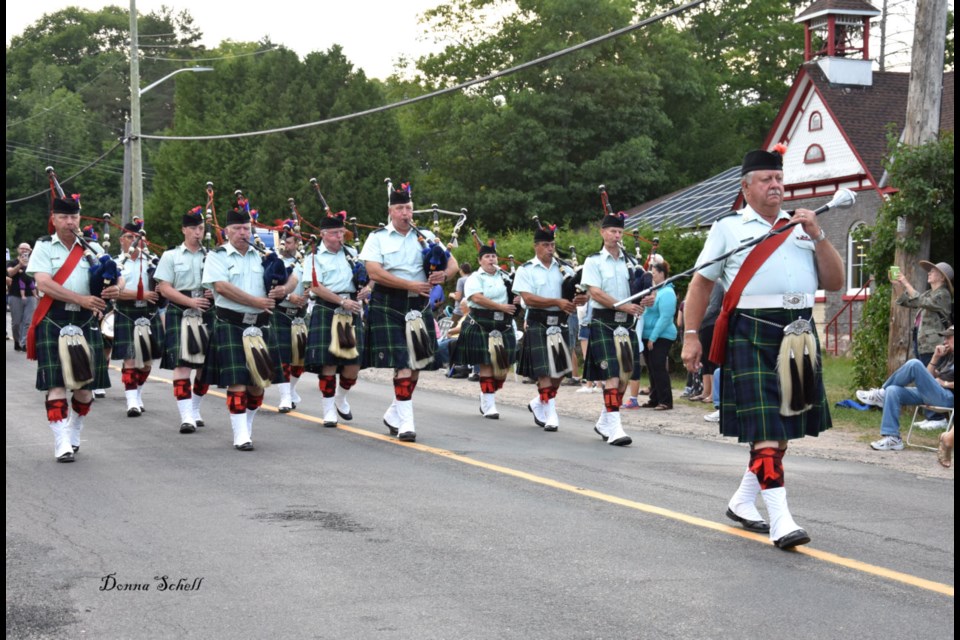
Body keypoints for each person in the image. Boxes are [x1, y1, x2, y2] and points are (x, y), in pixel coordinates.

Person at [681, 146, 844, 550]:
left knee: (782, 430)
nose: (776, 186)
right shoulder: (728, 228)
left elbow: (836, 282)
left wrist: (819, 237)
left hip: (799, 331)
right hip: (751, 331)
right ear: (746, 186)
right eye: (767, 180)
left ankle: (742, 502)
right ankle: (781, 519)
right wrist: (690, 335)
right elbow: (701, 284)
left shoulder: (802, 226)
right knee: (767, 430)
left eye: (779, 179)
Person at [360, 181, 459, 442]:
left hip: (418, 304)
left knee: (416, 365)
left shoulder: (425, 236)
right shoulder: (377, 237)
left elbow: (454, 265)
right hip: (388, 303)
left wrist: (442, 275)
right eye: (401, 208)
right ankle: (407, 423)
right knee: (404, 362)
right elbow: (373, 271)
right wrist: (408, 284)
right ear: (391, 211)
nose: (406, 213)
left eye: (409, 208)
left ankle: (395, 412)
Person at [26, 196, 121, 462]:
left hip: (85, 321)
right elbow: (43, 283)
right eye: (65, 218)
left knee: (84, 389)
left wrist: (116, 287)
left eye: (74, 218)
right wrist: (79, 298)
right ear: (54, 219)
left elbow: (116, 274)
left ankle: (74, 428)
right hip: (53, 318)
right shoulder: (44, 247)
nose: (70, 222)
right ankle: (61, 442)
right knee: (56, 384)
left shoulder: (90, 247)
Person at [201, 206, 287, 451]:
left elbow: (291, 276)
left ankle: (247, 424)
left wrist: (285, 289)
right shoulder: (218, 256)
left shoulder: (264, 255)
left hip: (260, 325)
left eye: (246, 228)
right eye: (237, 229)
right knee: (237, 380)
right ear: (226, 231)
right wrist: (256, 302)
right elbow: (222, 287)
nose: (243, 233)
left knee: (258, 384)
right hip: (231, 323)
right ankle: (240, 434)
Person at [513, 224, 587, 432]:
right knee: (546, 370)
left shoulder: (565, 268)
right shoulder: (526, 269)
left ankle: (540, 401)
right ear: (536, 246)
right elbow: (527, 298)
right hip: (538, 322)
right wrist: (556, 301)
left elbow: (579, 292)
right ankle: (551, 411)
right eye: (545, 245)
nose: (550, 249)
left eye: (552, 244)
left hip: (561, 322)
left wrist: (581, 298)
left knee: (562, 370)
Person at [581, 213, 643, 446]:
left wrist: (646, 299)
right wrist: (624, 305)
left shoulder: (631, 263)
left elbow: (641, 288)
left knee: (625, 375)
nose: (616, 236)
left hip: (626, 323)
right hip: (603, 321)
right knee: (612, 374)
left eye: (619, 232)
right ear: (603, 232)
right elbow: (595, 293)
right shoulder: (593, 261)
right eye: (612, 231)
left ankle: (605, 420)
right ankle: (615, 427)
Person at [154, 207, 214, 434]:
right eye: (193, 229)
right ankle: (186, 416)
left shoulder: (212, 256)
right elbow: (164, 288)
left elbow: (222, 284)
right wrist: (190, 303)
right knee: (183, 365)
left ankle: (195, 408)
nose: (198, 233)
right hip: (181, 310)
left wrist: (213, 293)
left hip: (207, 310)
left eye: (201, 228)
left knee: (205, 366)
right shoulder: (171, 256)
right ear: (184, 230)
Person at [303, 214, 366, 428]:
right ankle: (328, 408)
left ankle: (341, 396)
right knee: (328, 362)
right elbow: (315, 286)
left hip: (352, 308)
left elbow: (368, 275)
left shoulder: (352, 253)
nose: (340, 236)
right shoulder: (313, 256)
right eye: (335, 233)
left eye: (342, 232)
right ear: (323, 235)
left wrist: (368, 289)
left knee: (353, 364)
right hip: (327, 307)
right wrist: (341, 301)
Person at [451, 243, 518, 419]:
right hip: (482, 321)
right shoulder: (475, 277)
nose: (491, 259)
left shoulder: (506, 278)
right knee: (487, 363)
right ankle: (489, 403)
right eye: (487, 257)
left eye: (493, 256)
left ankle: (486, 394)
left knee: (502, 365)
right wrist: (501, 306)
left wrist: (518, 299)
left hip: (504, 324)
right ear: (480, 261)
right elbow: (476, 297)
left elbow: (517, 296)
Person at [866, 326, 954, 451]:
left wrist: (944, 383)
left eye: (948, 338)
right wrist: (935, 357)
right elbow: (928, 377)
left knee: (915, 364)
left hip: (948, 398)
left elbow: (940, 382)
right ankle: (892, 438)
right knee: (893, 390)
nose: (944, 341)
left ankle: (881, 393)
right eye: (944, 338)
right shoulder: (949, 357)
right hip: (936, 393)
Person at [112, 222, 164, 417]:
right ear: (121, 240)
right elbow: (115, 293)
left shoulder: (153, 262)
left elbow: (163, 287)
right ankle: (131, 401)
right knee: (131, 358)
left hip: (149, 313)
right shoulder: (116, 263)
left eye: (138, 237)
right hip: (127, 312)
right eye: (129, 237)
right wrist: (141, 295)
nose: (134, 241)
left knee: (147, 363)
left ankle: (138, 393)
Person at [272, 227, 308, 413]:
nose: (285, 245)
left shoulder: (305, 262)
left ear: (296, 244)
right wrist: (288, 297)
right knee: (284, 357)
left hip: (300, 313)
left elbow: (312, 283)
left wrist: (309, 295)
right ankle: (285, 397)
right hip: (281, 312)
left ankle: (291, 390)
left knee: (299, 358)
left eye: (288, 242)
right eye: (283, 242)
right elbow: (269, 286)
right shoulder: (275, 261)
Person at [891, 260, 953, 366]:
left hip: (934, 346)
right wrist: (897, 285)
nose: (929, 273)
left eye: (933, 271)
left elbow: (920, 300)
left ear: (942, 278)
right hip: (922, 343)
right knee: (923, 375)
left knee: (929, 377)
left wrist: (905, 282)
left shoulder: (944, 294)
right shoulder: (928, 293)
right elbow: (907, 302)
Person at [641, 260, 677, 410]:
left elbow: (665, 318)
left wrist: (653, 337)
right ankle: (654, 398)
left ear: (662, 274)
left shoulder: (668, 293)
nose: (652, 277)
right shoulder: (655, 292)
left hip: (661, 336)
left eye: (654, 274)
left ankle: (666, 400)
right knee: (651, 367)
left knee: (658, 366)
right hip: (649, 334)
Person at [7, 242, 37, 352]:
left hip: (30, 295)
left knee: (28, 321)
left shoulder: (35, 262)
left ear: (31, 250)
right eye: (22, 248)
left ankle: (25, 343)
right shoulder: (12, 262)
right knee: (16, 322)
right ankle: (17, 340)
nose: (24, 251)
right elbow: (10, 273)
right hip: (15, 295)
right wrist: (20, 265)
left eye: (27, 249)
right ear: (18, 250)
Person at [450, 262, 472, 327]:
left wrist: (451, 295)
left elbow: (458, 297)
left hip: (459, 311)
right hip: (470, 311)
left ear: (461, 270)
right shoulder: (473, 279)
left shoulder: (461, 280)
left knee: (452, 332)